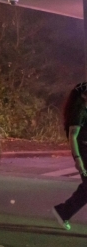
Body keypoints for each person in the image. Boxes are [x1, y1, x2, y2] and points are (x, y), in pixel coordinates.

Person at [52, 82, 87, 230]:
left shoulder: (84, 109)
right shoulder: (79, 112)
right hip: (83, 153)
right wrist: (78, 159)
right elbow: (73, 136)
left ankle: (63, 212)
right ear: (84, 95)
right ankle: (63, 212)